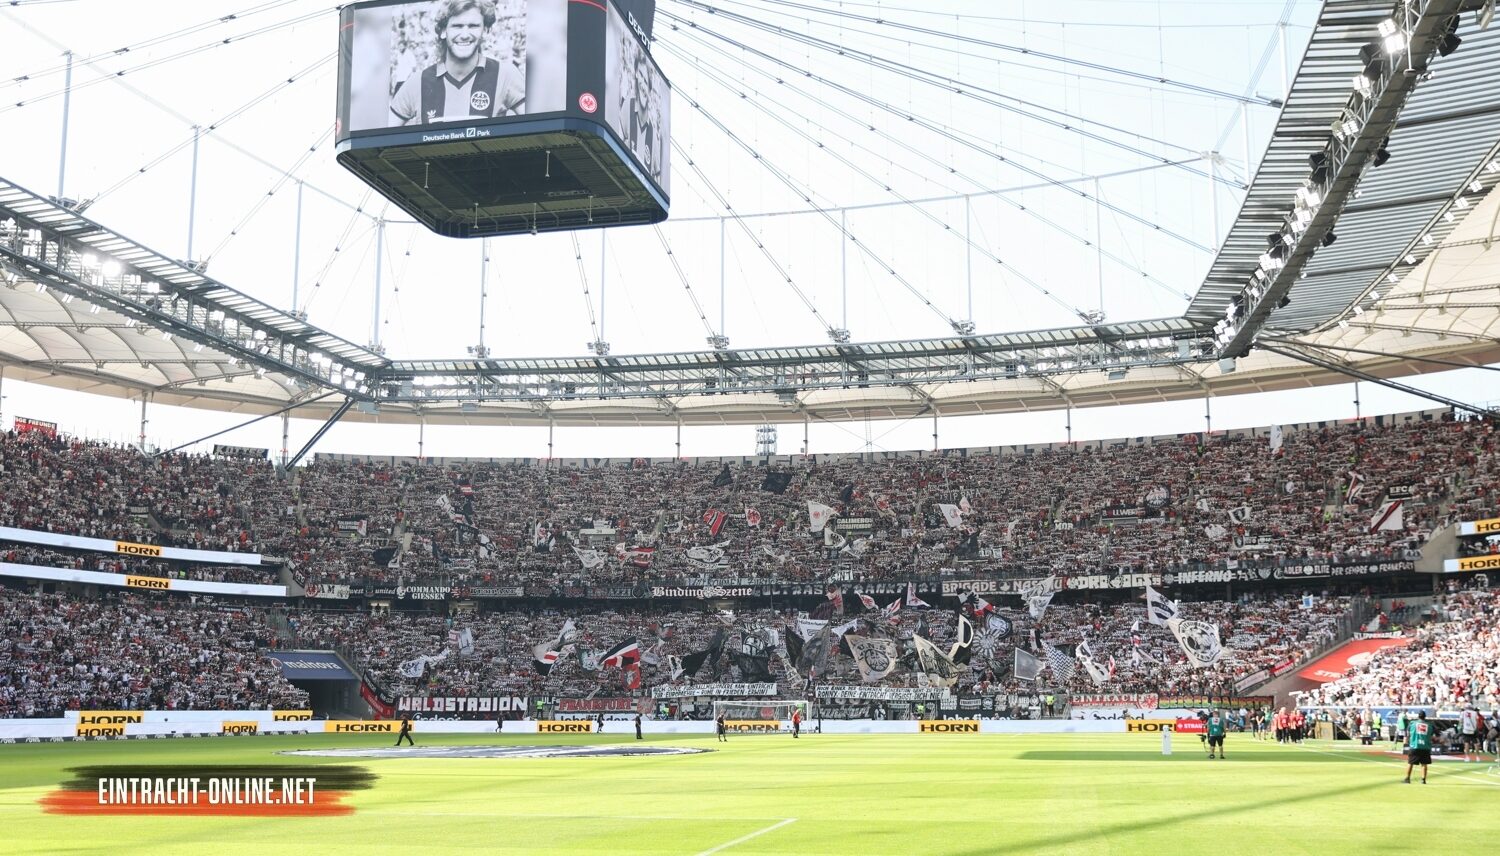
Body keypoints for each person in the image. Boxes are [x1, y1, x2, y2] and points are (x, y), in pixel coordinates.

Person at [389, 0, 525, 127]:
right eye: (457, 26)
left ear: (485, 31)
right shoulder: (417, 83)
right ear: (443, 31)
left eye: (473, 26)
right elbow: (381, 136)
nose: (465, 34)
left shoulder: (506, 75)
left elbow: (539, 129)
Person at [1404, 710, 1433, 785]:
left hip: (1415, 746)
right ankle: (1423, 779)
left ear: (1418, 716)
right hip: (1425, 747)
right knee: (1424, 764)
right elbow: (1432, 735)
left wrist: (1406, 741)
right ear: (1424, 717)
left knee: (1410, 763)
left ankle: (1407, 778)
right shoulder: (1429, 725)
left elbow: (1407, 732)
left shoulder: (1412, 723)